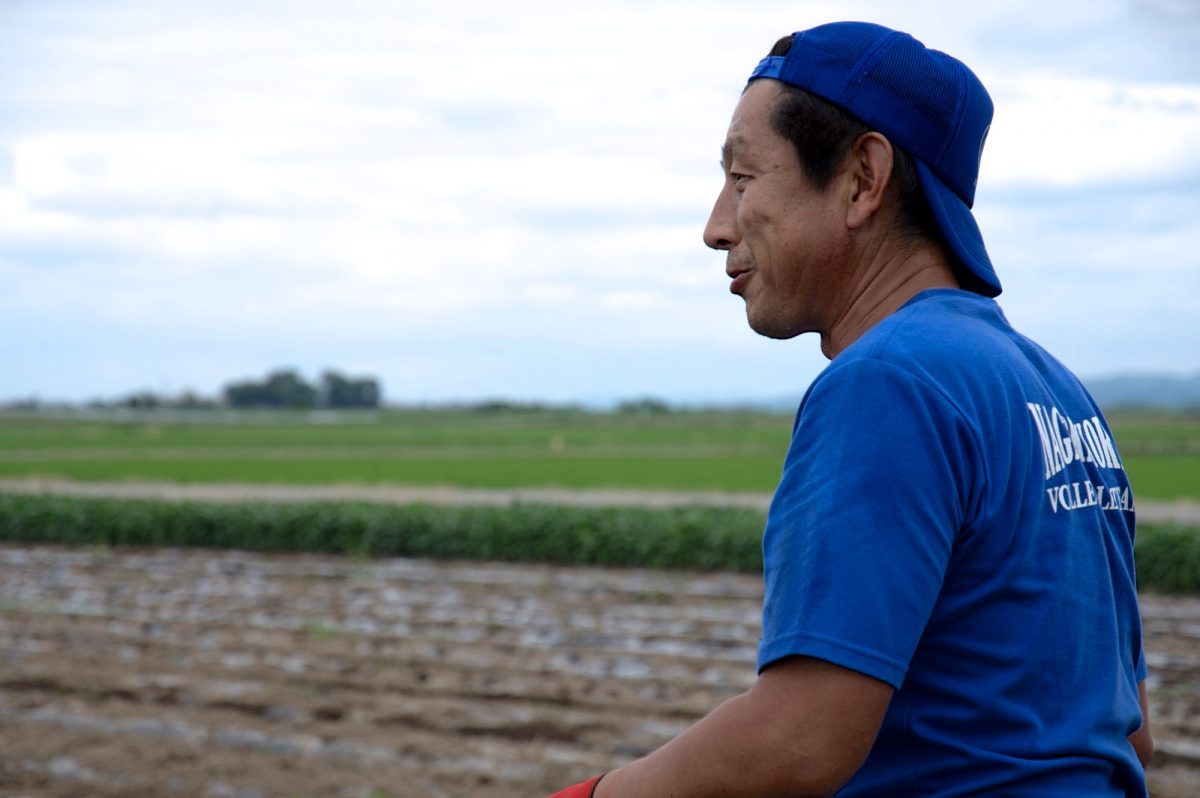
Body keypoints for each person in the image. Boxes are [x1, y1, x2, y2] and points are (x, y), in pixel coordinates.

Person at [549, 21, 1152, 797]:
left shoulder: (889, 384)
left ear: (863, 178)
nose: (715, 227)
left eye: (742, 179)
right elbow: (1128, 727)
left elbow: (801, 739)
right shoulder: (1061, 397)